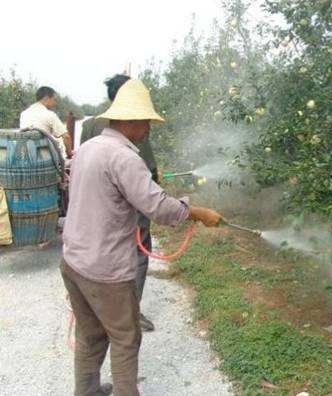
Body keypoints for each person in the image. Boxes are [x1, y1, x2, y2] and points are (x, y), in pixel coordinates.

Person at [61, 78, 223, 396]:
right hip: (104, 270)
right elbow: (158, 207)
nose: (148, 128)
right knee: (125, 339)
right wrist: (198, 212)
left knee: (89, 336)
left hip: (74, 260)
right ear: (131, 121)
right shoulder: (125, 158)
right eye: (146, 121)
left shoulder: (89, 148)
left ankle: (87, 392)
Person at [81, 74, 159, 332]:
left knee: (102, 252)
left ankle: (99, 309)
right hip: (132, 204)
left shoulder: (92, 124)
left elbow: (84, 160)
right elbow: (147, 168)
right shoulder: (135, 124)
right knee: (138, 252)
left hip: (98, 205)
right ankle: (129, 313)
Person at [19, 86, 72, 158]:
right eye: (54, 99)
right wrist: (69, 154)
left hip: (25, 156)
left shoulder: (24, 114)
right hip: (45, 159)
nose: (55, 103)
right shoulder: (50, 115)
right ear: (46, 98)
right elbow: (66, 137)